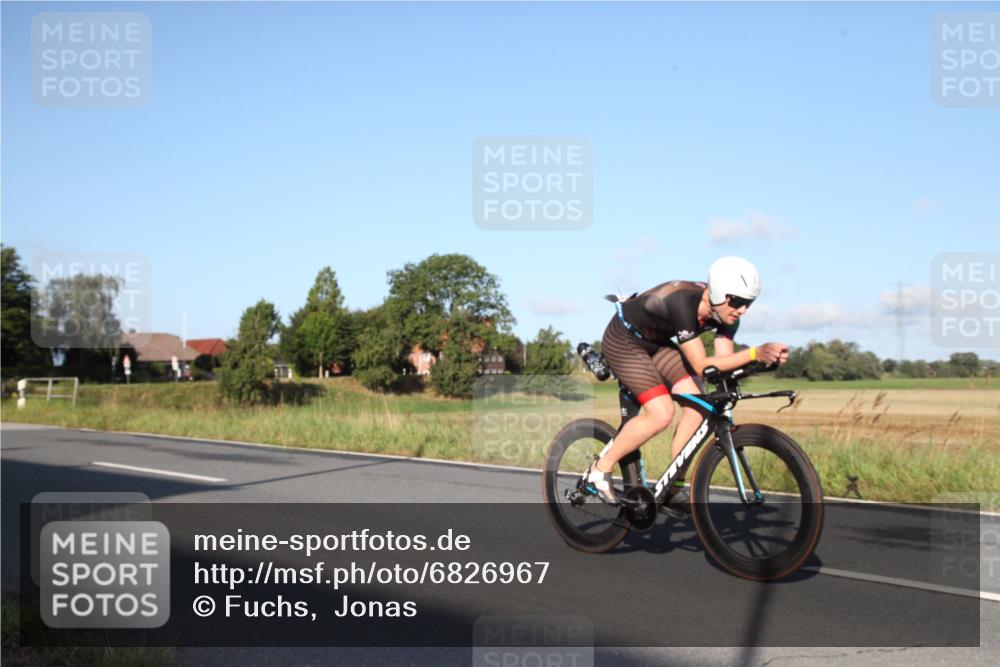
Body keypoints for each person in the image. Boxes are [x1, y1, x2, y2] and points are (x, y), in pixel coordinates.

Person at [585, 256, 789, 506]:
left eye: (749, 303)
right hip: (624, 339)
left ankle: (672, 487)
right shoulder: (683, 301)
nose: (742, 310)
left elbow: (719, 364)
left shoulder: (728, 317)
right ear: (719, 293)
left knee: (698, 408)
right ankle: (599, 469)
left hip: (657, 343)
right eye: (736, 301)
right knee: (661, 413)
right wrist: (755, 353)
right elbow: (702, 365)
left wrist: (761, 364)